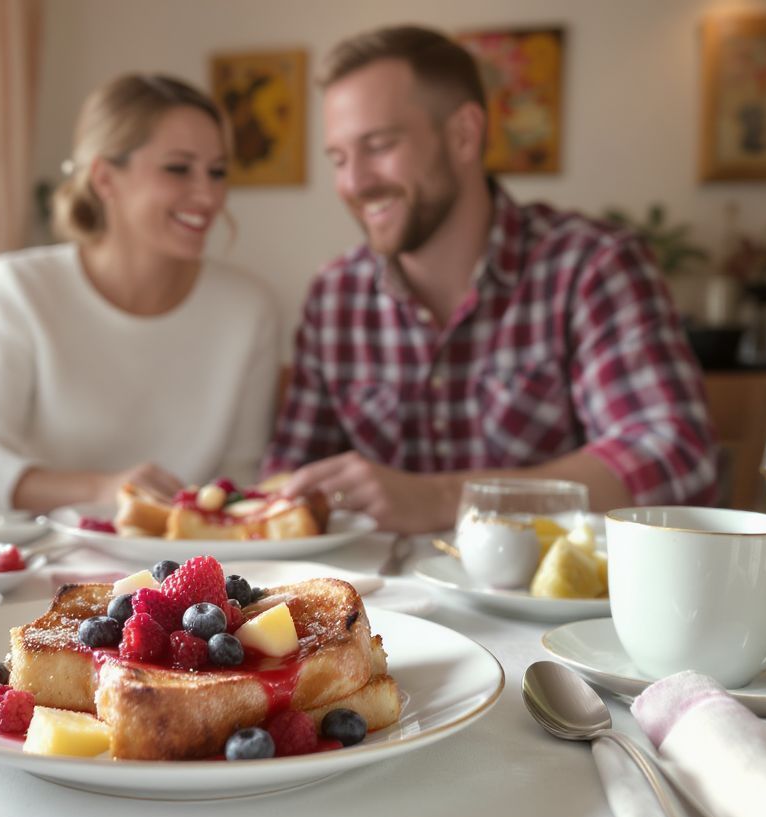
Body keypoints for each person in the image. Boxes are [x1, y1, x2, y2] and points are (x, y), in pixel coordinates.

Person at [263, 25, 717, 534]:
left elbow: (671, 453)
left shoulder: (592, 265)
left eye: (379, 145)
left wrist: (440, 498)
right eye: (340, 159)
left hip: (552, 608)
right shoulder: (334, 296)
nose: (354, 183)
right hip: (382, 607)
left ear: (464, 134)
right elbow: (287, 478)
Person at [0, 74, 280, 513]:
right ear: (104, 177)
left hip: (187, 573)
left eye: (217, 172)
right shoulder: (19, 289)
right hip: (41, 566)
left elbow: (242, 481)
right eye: (178, 168)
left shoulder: (248, 308)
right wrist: (102, 489)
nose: (208, 194)